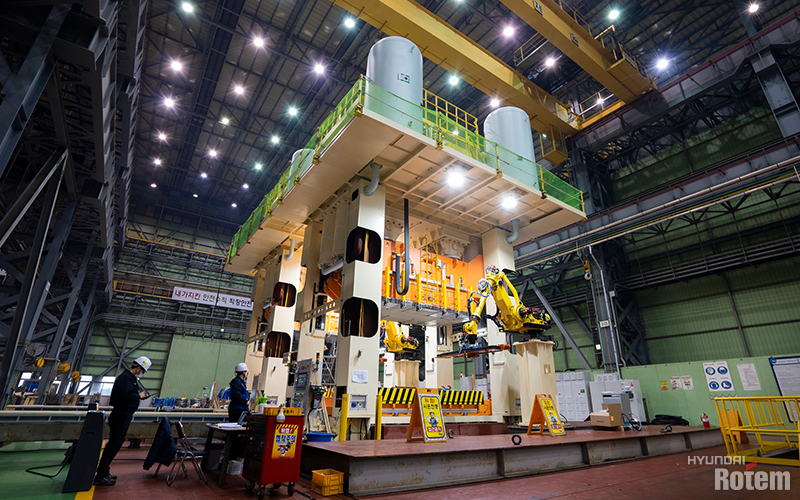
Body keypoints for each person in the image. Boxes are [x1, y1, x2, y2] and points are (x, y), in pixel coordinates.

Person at [94, 356, 151, 486]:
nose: (142, 373)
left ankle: (104, 472)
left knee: (115, 444)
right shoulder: (126, 378)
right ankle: (101, 475)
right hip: (121, 415)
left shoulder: (130, 379)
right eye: (142, 371)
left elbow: (128, 395)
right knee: (114, 445)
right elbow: (126, 396)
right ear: (138, 368)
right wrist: (139, 396)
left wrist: (137, 398)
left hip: (123, 414)